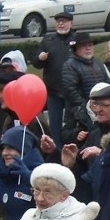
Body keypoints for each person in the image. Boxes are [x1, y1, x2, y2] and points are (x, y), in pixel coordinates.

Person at [31, 12, 75, 146]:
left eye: (64, 21)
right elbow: (35, 63)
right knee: (54, 127)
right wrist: (40, 58)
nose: (61, 24)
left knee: (71, 126)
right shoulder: (48, 40)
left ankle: (71, 152)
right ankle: (56, 153)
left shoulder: (77, 39)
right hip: (53, 92)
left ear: (71, 24)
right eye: (58, 21)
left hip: (72, 92)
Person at [61, 33, 110, 144]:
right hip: (78, 113)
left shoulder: (98, 63)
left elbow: (107, 82)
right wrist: (85, 106)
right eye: (84, 46)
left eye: (90, 45)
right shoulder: (70, 65)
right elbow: (70, 89)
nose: (88, 48)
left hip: (100, 108)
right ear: (76, 49)